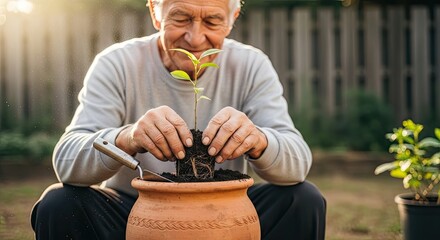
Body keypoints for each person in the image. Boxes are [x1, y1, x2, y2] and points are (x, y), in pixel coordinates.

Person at [31, 0, 326, 239]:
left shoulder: (251, 65)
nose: (195, 38)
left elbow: (297, 162)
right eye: (180, 18)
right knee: (60, 204)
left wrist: (259, 140)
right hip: (136, 210)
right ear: (155, 13)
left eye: (212, 21)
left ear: (232, 18)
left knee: (303, 199)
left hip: (223, 210)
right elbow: (67, 160)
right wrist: (128, 137)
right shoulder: (117, 63)